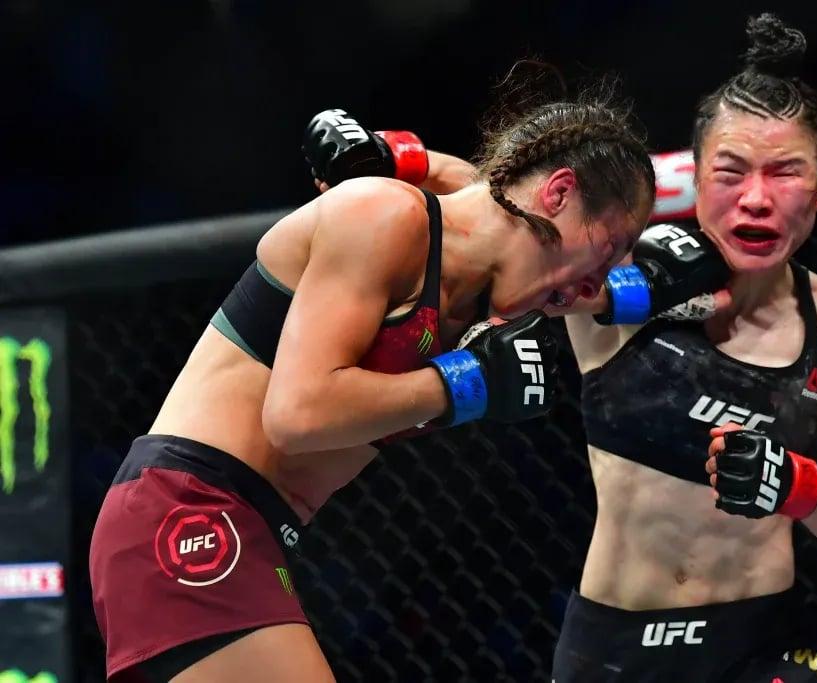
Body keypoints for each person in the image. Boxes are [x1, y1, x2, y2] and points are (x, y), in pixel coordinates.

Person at [88, 80, 670, 682]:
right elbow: (296, 415)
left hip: (256, 530)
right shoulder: (384, 217)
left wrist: (401, 153)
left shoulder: (494, 270)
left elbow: (481, 188)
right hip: (189, 510)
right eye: (605, 252)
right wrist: (461, 385)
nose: (590, 285)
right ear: (559, 191)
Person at [552, 14, 817, 682]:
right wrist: (406, 164)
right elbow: (504, 222)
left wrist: (799, 486)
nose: (755, 199)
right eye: (732, 171)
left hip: (758, 646)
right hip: (611, 650)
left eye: (785, 173)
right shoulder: (613, 278)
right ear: (694, 175)